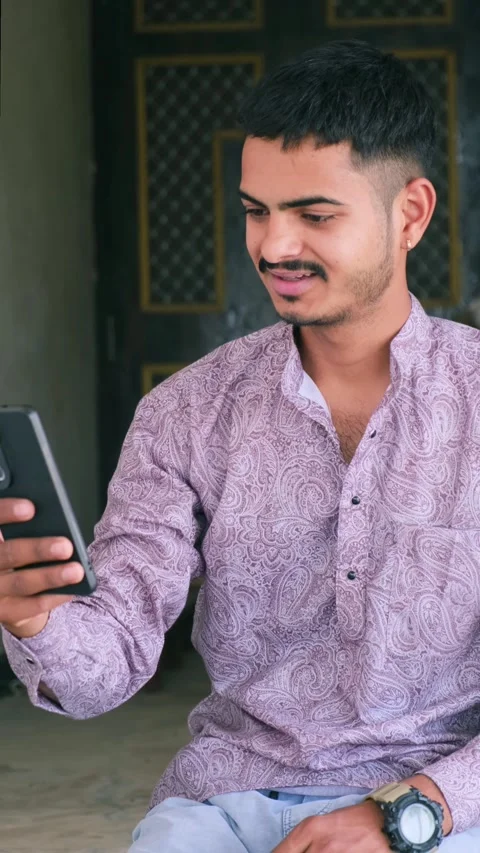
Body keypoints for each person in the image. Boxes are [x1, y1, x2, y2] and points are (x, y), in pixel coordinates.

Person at [1, 39, 479, 853]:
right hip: (230, 800)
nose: (273, 246)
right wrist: (36, 618)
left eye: (315, 215)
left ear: (412, 213)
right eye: (257, 210)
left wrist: (408, 812)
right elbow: (103, 671)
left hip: (443, 802)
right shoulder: (185, 414)